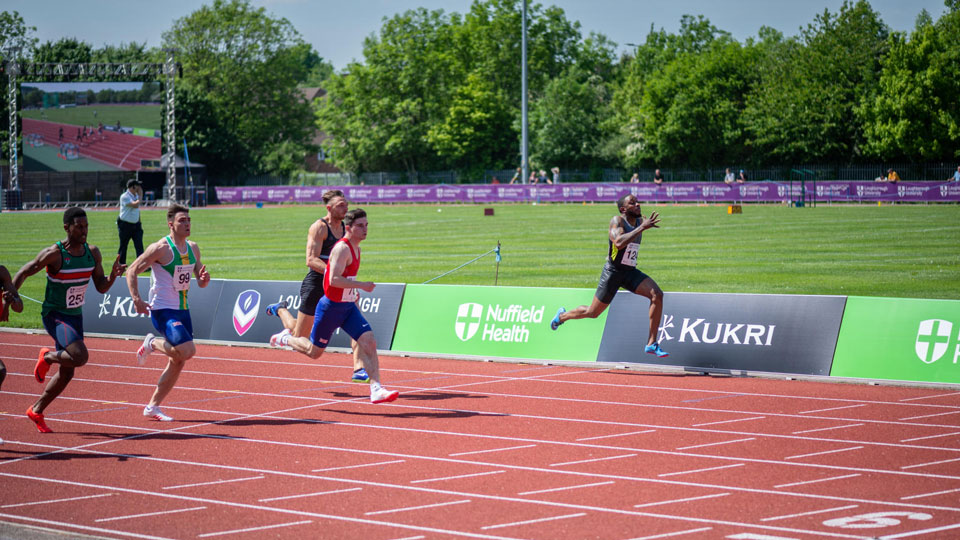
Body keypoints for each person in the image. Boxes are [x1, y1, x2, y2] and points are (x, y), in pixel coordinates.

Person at [12, 208, 125, 433]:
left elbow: (101, 287)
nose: (84, 230)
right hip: (54, 315)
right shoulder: (55, 254)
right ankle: (47, 357)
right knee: (80, 356)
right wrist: (10, 298)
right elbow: (25, 271)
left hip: (75, 316)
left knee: (68, 372)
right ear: (67, 228)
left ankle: (36, 410)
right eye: (79, 227)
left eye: (86, 226)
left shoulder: (92, 253)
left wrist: (113, 277)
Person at [269, 209, 399, 405]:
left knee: (369, 341)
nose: (365, 230)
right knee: (314, 352)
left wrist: (353, 291)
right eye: (360, 226)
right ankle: (286, 338)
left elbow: (345, 280)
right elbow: (333, 280)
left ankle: (376, 389)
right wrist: (361, 286)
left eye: (366, 225)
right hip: (330, 308)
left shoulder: (357, 249)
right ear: (349, 228)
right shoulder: (341, 249)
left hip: (347, 307)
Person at [263, 190, 367, 383]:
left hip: (339, 287)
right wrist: (334, 275)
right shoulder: (319, 228)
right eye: (340, 205)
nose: (345, 208)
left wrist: (349, 283)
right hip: (316, 286)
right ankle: (281, 310)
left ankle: (358, 368)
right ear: (329, 208)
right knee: (299, 335)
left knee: (359, 328)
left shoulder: (346, 228)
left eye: (346, 204)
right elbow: (311, 260)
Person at [550, 194, 668, 358]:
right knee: (593, 312)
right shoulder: (617, 221)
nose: (638, 204)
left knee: (657, 295)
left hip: (630, 272)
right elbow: (618, 243)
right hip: (613, 273)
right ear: (623, 209)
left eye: (637, 201)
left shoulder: (640, 222)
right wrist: (641, 228)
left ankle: (651, 344)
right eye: (632, 203)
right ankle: (562, 317)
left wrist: (642, 226)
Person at [127, 204, 211, 422]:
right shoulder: (161, 248)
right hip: (163, 309)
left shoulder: (193, 248)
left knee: (179, 360)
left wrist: (203, 279)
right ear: (171, 224)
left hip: (183, 310)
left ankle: (152, 406)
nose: (187, 224)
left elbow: (200, 280)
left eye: (189, 220)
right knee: (187, 350)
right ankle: (152, 343)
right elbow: (132, 270)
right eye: (182, 220)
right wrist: (137, 299)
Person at [117, 179, 145, 265]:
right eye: (137, 186)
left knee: (139, 245)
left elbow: (137, 210)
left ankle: (142, 264)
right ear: (133, 187)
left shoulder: (135, 196)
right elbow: (135, 205)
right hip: (125, 225)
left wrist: (139, 222)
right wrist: (140, 195)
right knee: (123, 246)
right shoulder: (124, 196)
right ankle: (121, 264)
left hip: (136, 225)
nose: (139, 188)